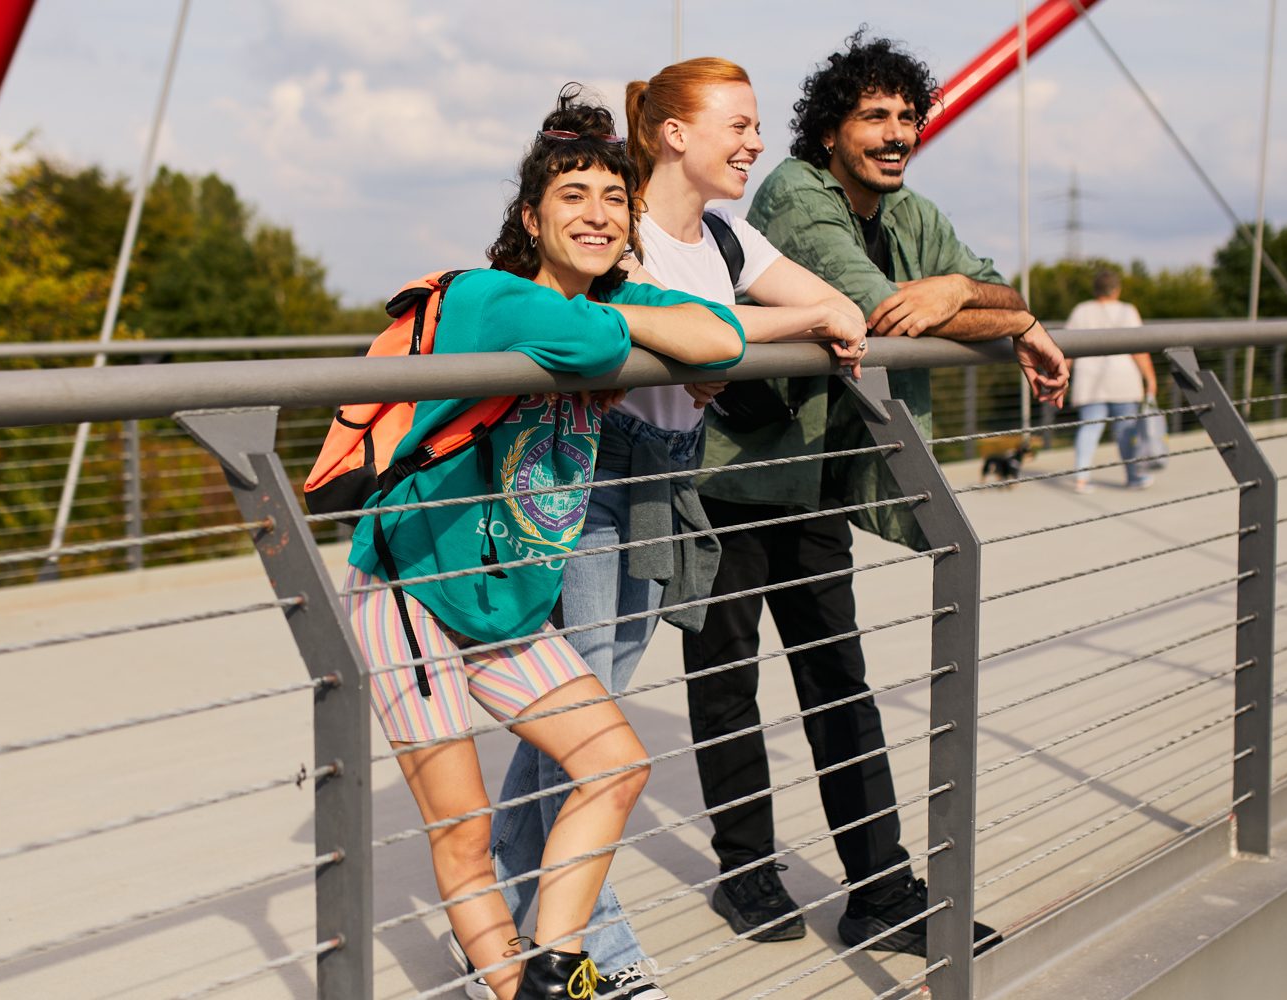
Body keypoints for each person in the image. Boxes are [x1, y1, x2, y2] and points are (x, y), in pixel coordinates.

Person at [347, 87, 745, 1000]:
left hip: (508, 604)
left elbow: (715, 336)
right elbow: (581, 339)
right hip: (415, 592)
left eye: (615, 199)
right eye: (574, 197)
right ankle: (514, 986)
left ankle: (554, 964)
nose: (598, 215)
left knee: (615, 762)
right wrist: (631, 329)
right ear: (531, 219)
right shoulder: (487, 296)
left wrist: (630, 321)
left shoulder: (610, 299)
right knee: (463, 831)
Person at [682, 29, 1069, 957]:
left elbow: (987, 288)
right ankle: (748, 873)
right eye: (874, 117)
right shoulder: (794, 196)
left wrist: (965, 296)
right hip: (732, 475)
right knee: (727, 685)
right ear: (829, 132)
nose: (896, 134)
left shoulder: (909, 214)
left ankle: (880, 891)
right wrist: (980, 306)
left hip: (815, 479)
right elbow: (864, 308)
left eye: (907, 117)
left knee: (837, 679)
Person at [487, 58, 866, 999]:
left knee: (580, 706)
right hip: (593, 469)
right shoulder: (624, 234)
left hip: (664, 473)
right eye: (737, 125)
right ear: (673, 134)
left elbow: (805, 309)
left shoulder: (727, 237)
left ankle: (511, 897)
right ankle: (586, 944)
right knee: (585, 716)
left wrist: (791, 316)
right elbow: (690, 330)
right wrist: (764, 328)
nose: (755, 142)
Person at [1066, 269, 1156, 493]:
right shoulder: (1128, 311)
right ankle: (1135, 477)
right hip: (1123, 381)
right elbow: (1139, 349)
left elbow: (1067, 348)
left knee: (1089, 429)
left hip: (1090, 381)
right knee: (1126, 431)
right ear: (1117, 289)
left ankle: (1082, 478)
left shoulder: (1081, 311)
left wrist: (1061, 376)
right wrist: (1150, 379)